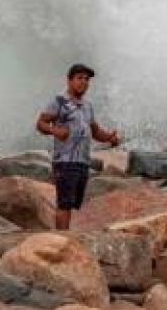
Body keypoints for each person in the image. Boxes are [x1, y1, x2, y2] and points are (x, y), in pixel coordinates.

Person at [36, 63, 120, 230]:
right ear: (69, 80)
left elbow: (95, 131)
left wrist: (110, 138)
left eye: (87, 79)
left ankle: (66, 235)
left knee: (73, 203)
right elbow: (41, 123)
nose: (84, 82)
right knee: (64, 203)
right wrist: (55, 131)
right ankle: (62, 238)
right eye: (79, 78)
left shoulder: (87, 106)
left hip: (82, 162)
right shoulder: (59, 101)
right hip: (65, 161)